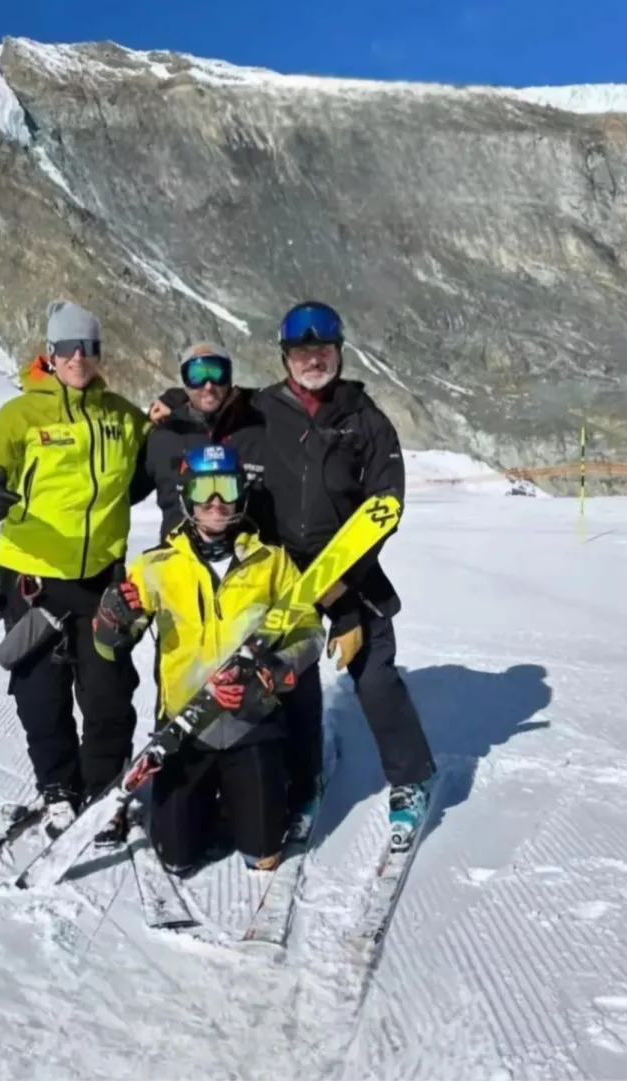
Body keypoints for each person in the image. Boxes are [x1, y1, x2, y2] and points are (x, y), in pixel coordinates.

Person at [147, 302, 436, 851]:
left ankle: (412, 776)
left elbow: (385, 507)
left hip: (352, 572)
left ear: (339, 353)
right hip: (280, 572)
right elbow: (208, 406)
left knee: (374, 677)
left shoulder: (365, 420)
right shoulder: (259, 409)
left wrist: (344, 596)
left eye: (323, 351)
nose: (313, 360)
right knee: (290, 683)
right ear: (285, 357)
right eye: (302, 352)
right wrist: (169, 407)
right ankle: (305, 780)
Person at [0, 300, 150, 842]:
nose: (78, 358)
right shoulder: (20, 415)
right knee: (40, 694)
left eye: (88, 348)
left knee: (109, 694)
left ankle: (104, 792)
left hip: (101, 581)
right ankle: (59, 790)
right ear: (50, 352)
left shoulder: (119, 414)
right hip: (33, 580)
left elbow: (154, 451)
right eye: (67, 348)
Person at [92, 444, 324, 874]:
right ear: (187, 496)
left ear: (241, 493)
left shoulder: (270, 562)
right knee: (177, 858)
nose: (216, 502)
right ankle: (201, 802)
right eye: (204, 489)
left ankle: (252, 796)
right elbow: (110, 646)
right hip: (185, 726)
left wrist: (278, 670)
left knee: (264, 855)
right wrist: (110, 621)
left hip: (250, 721)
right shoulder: (156, 565)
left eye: (227, 487)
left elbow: (309, 632)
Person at [131, 342, 271, 541]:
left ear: (229, 376)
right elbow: (123, 493)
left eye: (216, 373)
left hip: (250, 562)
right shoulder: (164, 435)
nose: (208, 385)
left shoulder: (257, 428)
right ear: (185, 381)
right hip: (179, 563)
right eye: (196, 376)